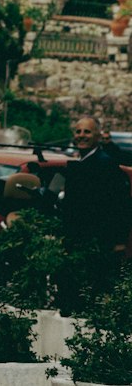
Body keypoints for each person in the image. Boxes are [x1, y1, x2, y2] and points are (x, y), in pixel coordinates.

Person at [56, 113, 132, 313]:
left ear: (98, 136)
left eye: (87, 131)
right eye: (78, 131)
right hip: (80, 241)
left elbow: (120, 204)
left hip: (99, 242)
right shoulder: (81, 163)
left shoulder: (105, 164)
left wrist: (118, 240)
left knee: (95, 297)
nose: (81, 135)